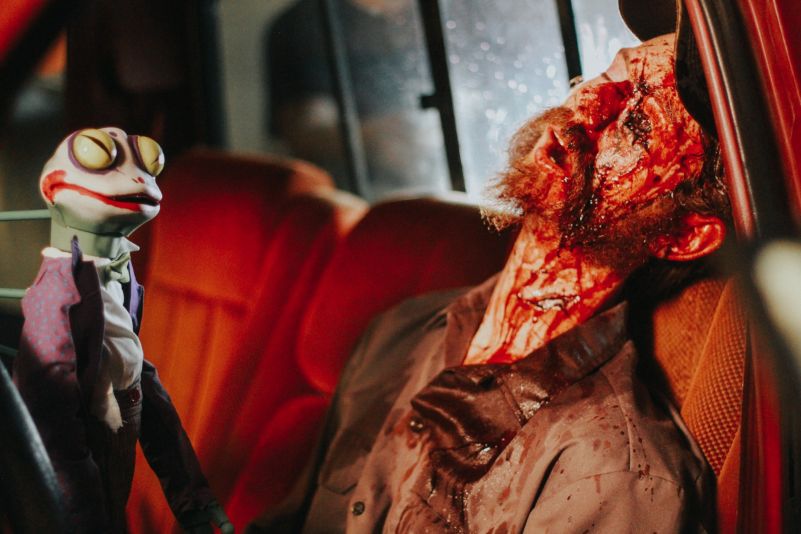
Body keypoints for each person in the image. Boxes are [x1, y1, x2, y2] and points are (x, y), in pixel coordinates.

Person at [250, 8, 727, 534]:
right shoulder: (402, 331)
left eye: (636, 122)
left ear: (684, 236)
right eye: (607, 77)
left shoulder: (609, 471)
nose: (585, 106)